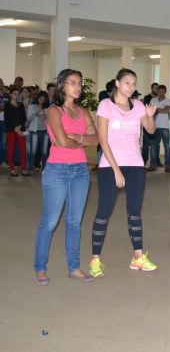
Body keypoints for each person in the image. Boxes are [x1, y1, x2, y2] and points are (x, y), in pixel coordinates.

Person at [89, 69, 158, 278]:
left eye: (134, 83)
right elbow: (103, 140)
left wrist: (150, 117)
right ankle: (95, 259)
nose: (131, 87)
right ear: (117, 84)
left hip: (135, 165)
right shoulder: (106, 105)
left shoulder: (138, 106)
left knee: (135, 212)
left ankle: (138, 257)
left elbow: (151, 131)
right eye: (127, 82)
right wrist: (116, 170)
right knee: (104, 211)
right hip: (110, 165)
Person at [34, 69, 98, 285]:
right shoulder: (54, 111)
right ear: (62, 85)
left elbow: (96, 139)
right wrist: (82, 140)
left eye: (79, 83)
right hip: (57, 171)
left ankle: (74, 267)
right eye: (73, 82)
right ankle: (40, 268)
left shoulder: (84, 111)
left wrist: (75, 137)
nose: (78, 87)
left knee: (74, 222)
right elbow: (61, 142)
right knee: (50, 221)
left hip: (80, 171)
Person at [4, 87, 27, 176]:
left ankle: (23, 168)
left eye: (18, 94)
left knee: (23, 149)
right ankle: (12, 169)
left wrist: (19, 127)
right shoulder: (7, 105)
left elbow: (23, 118)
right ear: (10, 95)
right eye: (14, 94)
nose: (16, 96)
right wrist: (15, 129)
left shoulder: (21, 105)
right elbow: (7, 119)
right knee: (11, 149)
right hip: (10, 130)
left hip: (20, 129)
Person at [149, 85, 170, 172]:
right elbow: (151, 111)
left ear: (165, 92)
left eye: (163, 91)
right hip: (154, 126)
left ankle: (167, 166)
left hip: (165, 127)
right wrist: (160, 109)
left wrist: (156, 109)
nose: (161, 93)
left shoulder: (168, 101)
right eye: (160, 91)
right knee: (153, 147)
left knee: (167, 147)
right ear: (157, 91)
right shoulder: (153, 100)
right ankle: (153, 165)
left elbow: (167, 110)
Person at [26, 91, 49, 172]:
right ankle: (30, 168)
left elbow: (50, 121)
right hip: (34, 131)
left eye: (43, 99)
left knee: (44, 152)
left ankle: (45, 169)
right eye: (40, 99)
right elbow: (28, 120)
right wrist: (36, 114)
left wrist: (45, 117)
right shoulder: (31, 106)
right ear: (37, 98)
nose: (41, 101)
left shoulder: (47, 108)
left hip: (45, 132)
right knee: (33, 151)